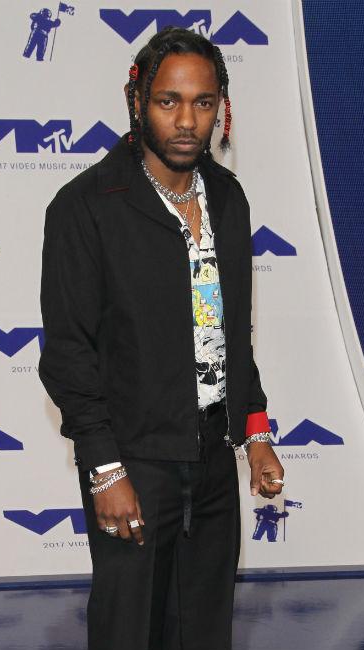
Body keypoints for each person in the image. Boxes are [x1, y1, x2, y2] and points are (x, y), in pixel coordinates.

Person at [39, 26, 285, 650]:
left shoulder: (228, 198)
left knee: (205, 630)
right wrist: (104, 470)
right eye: (168, 101)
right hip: (134, 460)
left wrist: (255, 431)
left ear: (221, 108)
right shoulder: (87, 206)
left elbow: (229, 332)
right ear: (137, 102)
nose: (186, 121)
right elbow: (68, 354)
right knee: (129, 631)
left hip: (213, 455)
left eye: (203, 103)